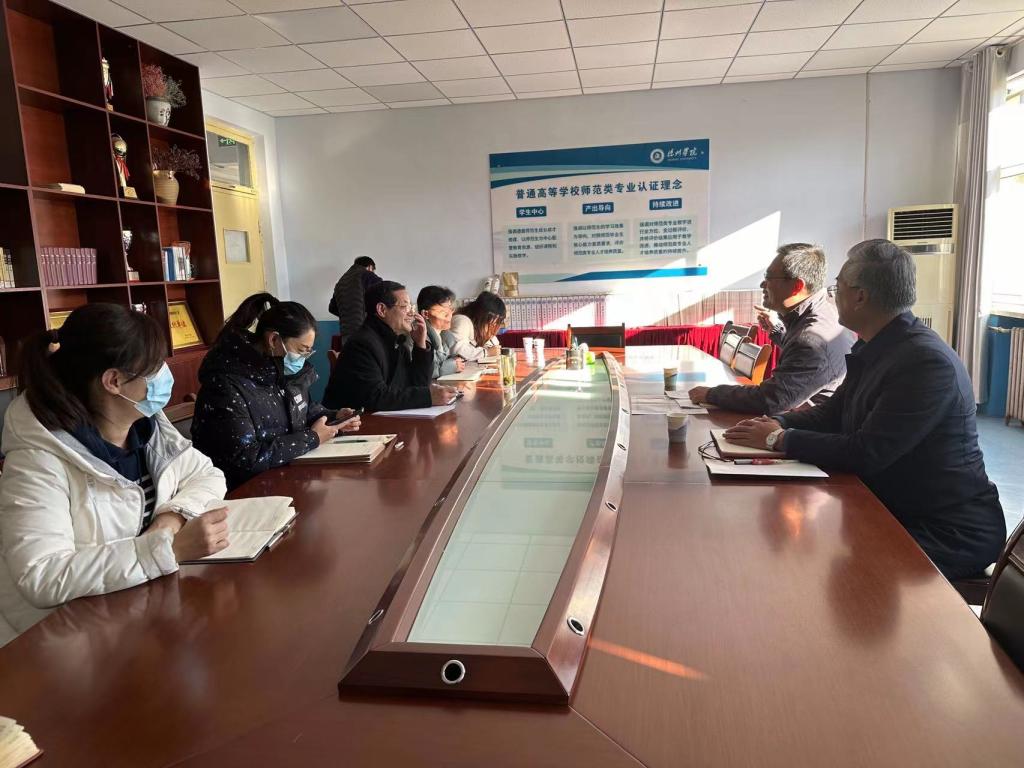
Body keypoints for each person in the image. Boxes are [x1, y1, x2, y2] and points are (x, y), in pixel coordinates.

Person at [724, 239, 1005, 580]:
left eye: (837, 287)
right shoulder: (877, 344)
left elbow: (867, 452)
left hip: (944, 530)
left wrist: (779, 440)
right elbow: (832, 414)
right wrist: (776, 422)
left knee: (806, 561)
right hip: (893, 504)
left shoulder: (924, 362)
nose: (833, 295)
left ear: (860, 296)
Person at [0, 303, 228, 646]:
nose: (164, 375)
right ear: (114, 381)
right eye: (155, 368)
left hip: (139, 613)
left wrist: (170, 521)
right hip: (65, 643)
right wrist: (166, 550)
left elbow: (208, 475)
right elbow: (42, 575)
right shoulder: (37, 459)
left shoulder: (147, 426)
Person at [191, 293, 360, 490]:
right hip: (242, 492)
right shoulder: (226, 386)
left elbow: (303, 411)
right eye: (301, 350)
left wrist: (334, 418)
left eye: (308, 352)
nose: (303, 359)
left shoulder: (280, 371)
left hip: (287, 479)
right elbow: (244, 459)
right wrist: (312, 438)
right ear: (273, 340)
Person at [689, 243, 854, 413]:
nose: (762, 284)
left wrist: (712, 394)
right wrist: (777, 332)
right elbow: (802, 360)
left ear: (797, 286)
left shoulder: (811, 338)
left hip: (806, 422)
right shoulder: (825, 310)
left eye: (769, 278)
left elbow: (772, 399)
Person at [323, 281, 456, 411]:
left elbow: (417, 384)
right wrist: (428, 397)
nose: (411, 313)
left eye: (411, 307)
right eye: (404, 307)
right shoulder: (362, 344)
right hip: (354, 421)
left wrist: (420, 346)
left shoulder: (396, 340)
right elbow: (375, 396)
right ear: (382, 309)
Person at [330, 256, 382, 347]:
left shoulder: (341, 282)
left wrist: (349, 315)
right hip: (365, 330)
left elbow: (332, 308)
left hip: (346, 332)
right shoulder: (366, 274)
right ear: (370, 267)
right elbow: (383, 291)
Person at [417, 285, 465, 379]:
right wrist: (450, 367)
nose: (450, 315)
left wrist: (454, 359)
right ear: (425, 314)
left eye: (450, 309)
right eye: (444, 312)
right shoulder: (418, 336)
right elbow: (421, 371)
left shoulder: (444, 335)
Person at [443, 291, 505, 363]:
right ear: (482, 317)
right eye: (491, 323)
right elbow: (458, 351)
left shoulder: (479, 327)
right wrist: (486, 352)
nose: (493, 327)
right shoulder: (462, 321)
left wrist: (491, 348)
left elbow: (494, 345)